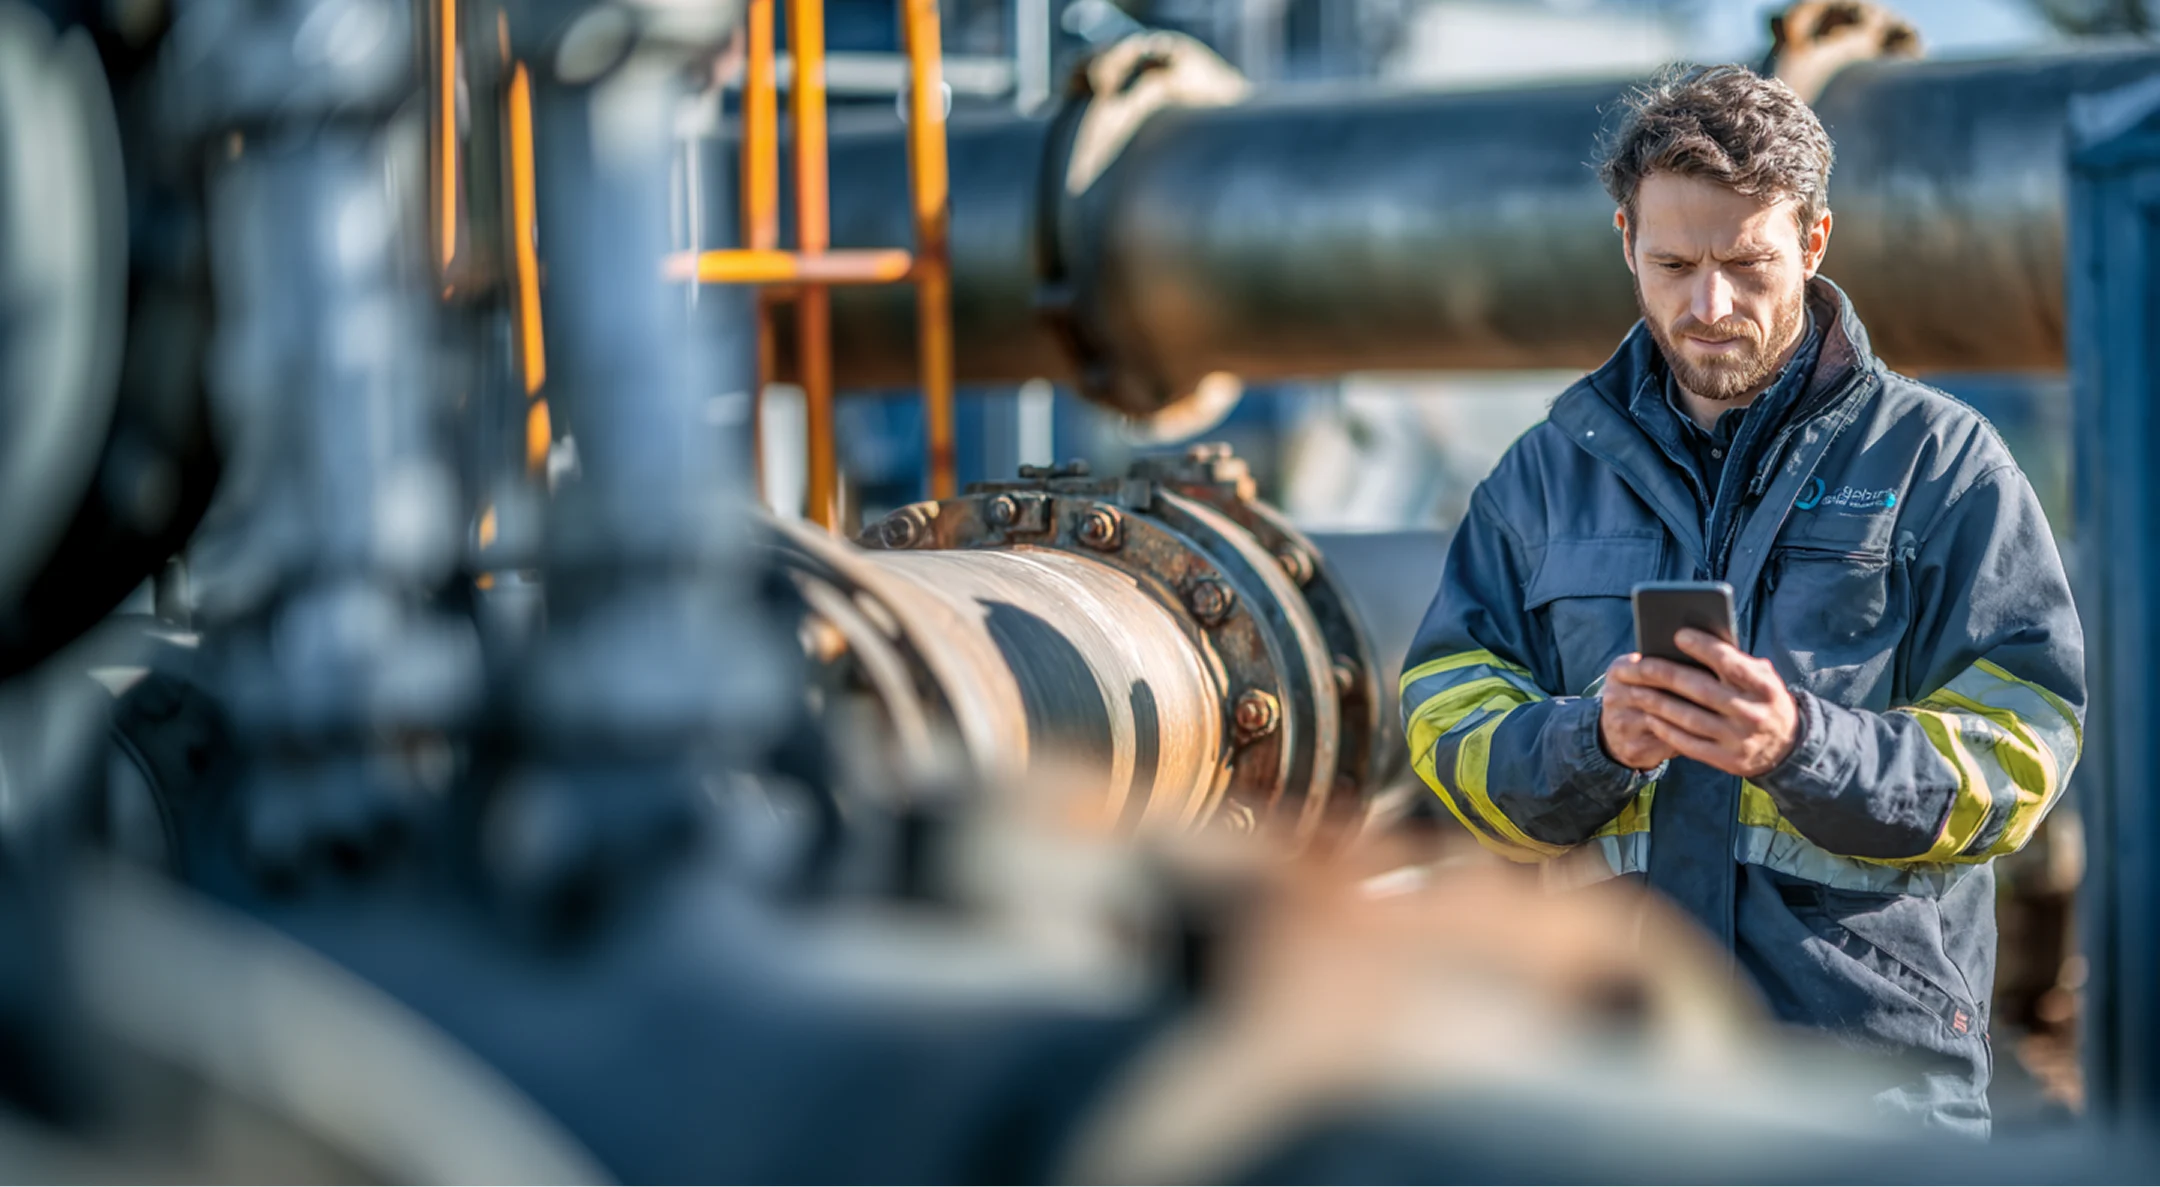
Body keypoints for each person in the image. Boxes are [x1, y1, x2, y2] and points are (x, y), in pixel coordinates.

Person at [1398, 64, 2085, 1135]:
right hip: (1606, 1081)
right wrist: (1592, 738)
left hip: (1863, 1089)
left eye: (1747, 263)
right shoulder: (1541, 478)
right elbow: (1447, 725)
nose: (1708, 305)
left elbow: (2023, 751)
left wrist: (1801, 744)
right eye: (1672, 263)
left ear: (1813, 244)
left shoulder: (1943, 466)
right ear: (1626, 238)